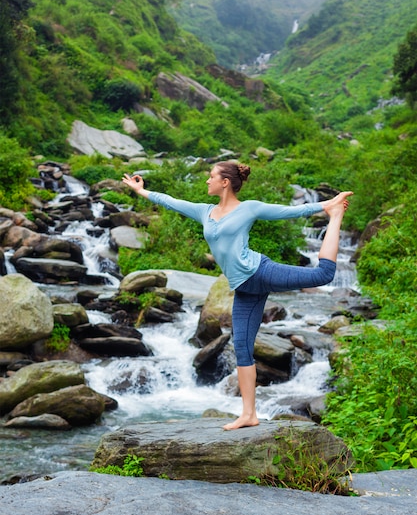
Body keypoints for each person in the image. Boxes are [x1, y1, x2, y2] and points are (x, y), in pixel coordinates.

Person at [122, 162, 353, 430]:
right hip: (244, 288)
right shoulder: (205, 212)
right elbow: (172, 202)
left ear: (225, 182)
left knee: (322, 276)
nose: (207, 181)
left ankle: (336, 217)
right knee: (242, 347)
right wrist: (141, 191)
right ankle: (248, 414)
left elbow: (291, 211)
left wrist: (327, 206)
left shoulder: (249, 208)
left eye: (211, 177)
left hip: (259, 272)